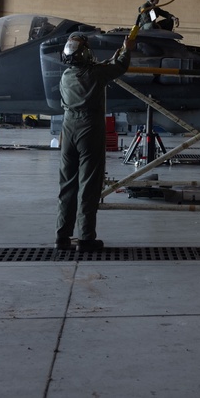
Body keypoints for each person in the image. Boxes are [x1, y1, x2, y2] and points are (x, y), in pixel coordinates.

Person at [55, 32, 134, 251]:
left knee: (67, 185)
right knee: (88, 185)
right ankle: (86, 238)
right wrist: (127, 49)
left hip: (68, 128)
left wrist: (114, 57)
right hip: (88, 129)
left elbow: (101, 68)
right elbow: (119, 67)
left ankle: (62, 237)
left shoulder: (66, 76)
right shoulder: (96, 74)